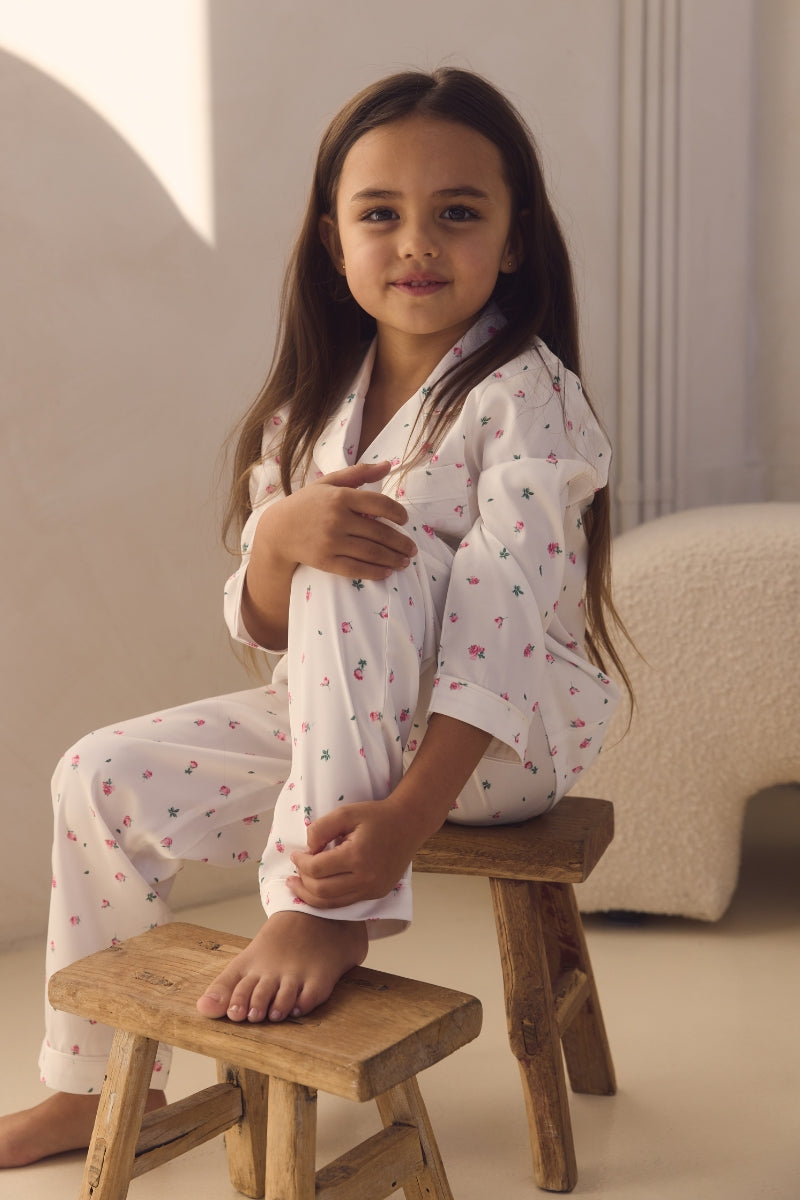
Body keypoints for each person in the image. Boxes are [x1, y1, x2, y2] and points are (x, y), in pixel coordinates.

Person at [0, 67, 630, 1167]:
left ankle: (325, 914)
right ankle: (89, 1088)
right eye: (380, 214)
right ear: (335, 243)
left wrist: (403, 822)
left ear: (514, 238)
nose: (416, 243)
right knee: (97, 773)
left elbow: (506, 625)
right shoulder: (309, 408)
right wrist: (275, 543)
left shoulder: (524, 397)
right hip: (340, 741)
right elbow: (270, 634)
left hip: (494, 752)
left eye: (458, 212)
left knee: (360, 560)